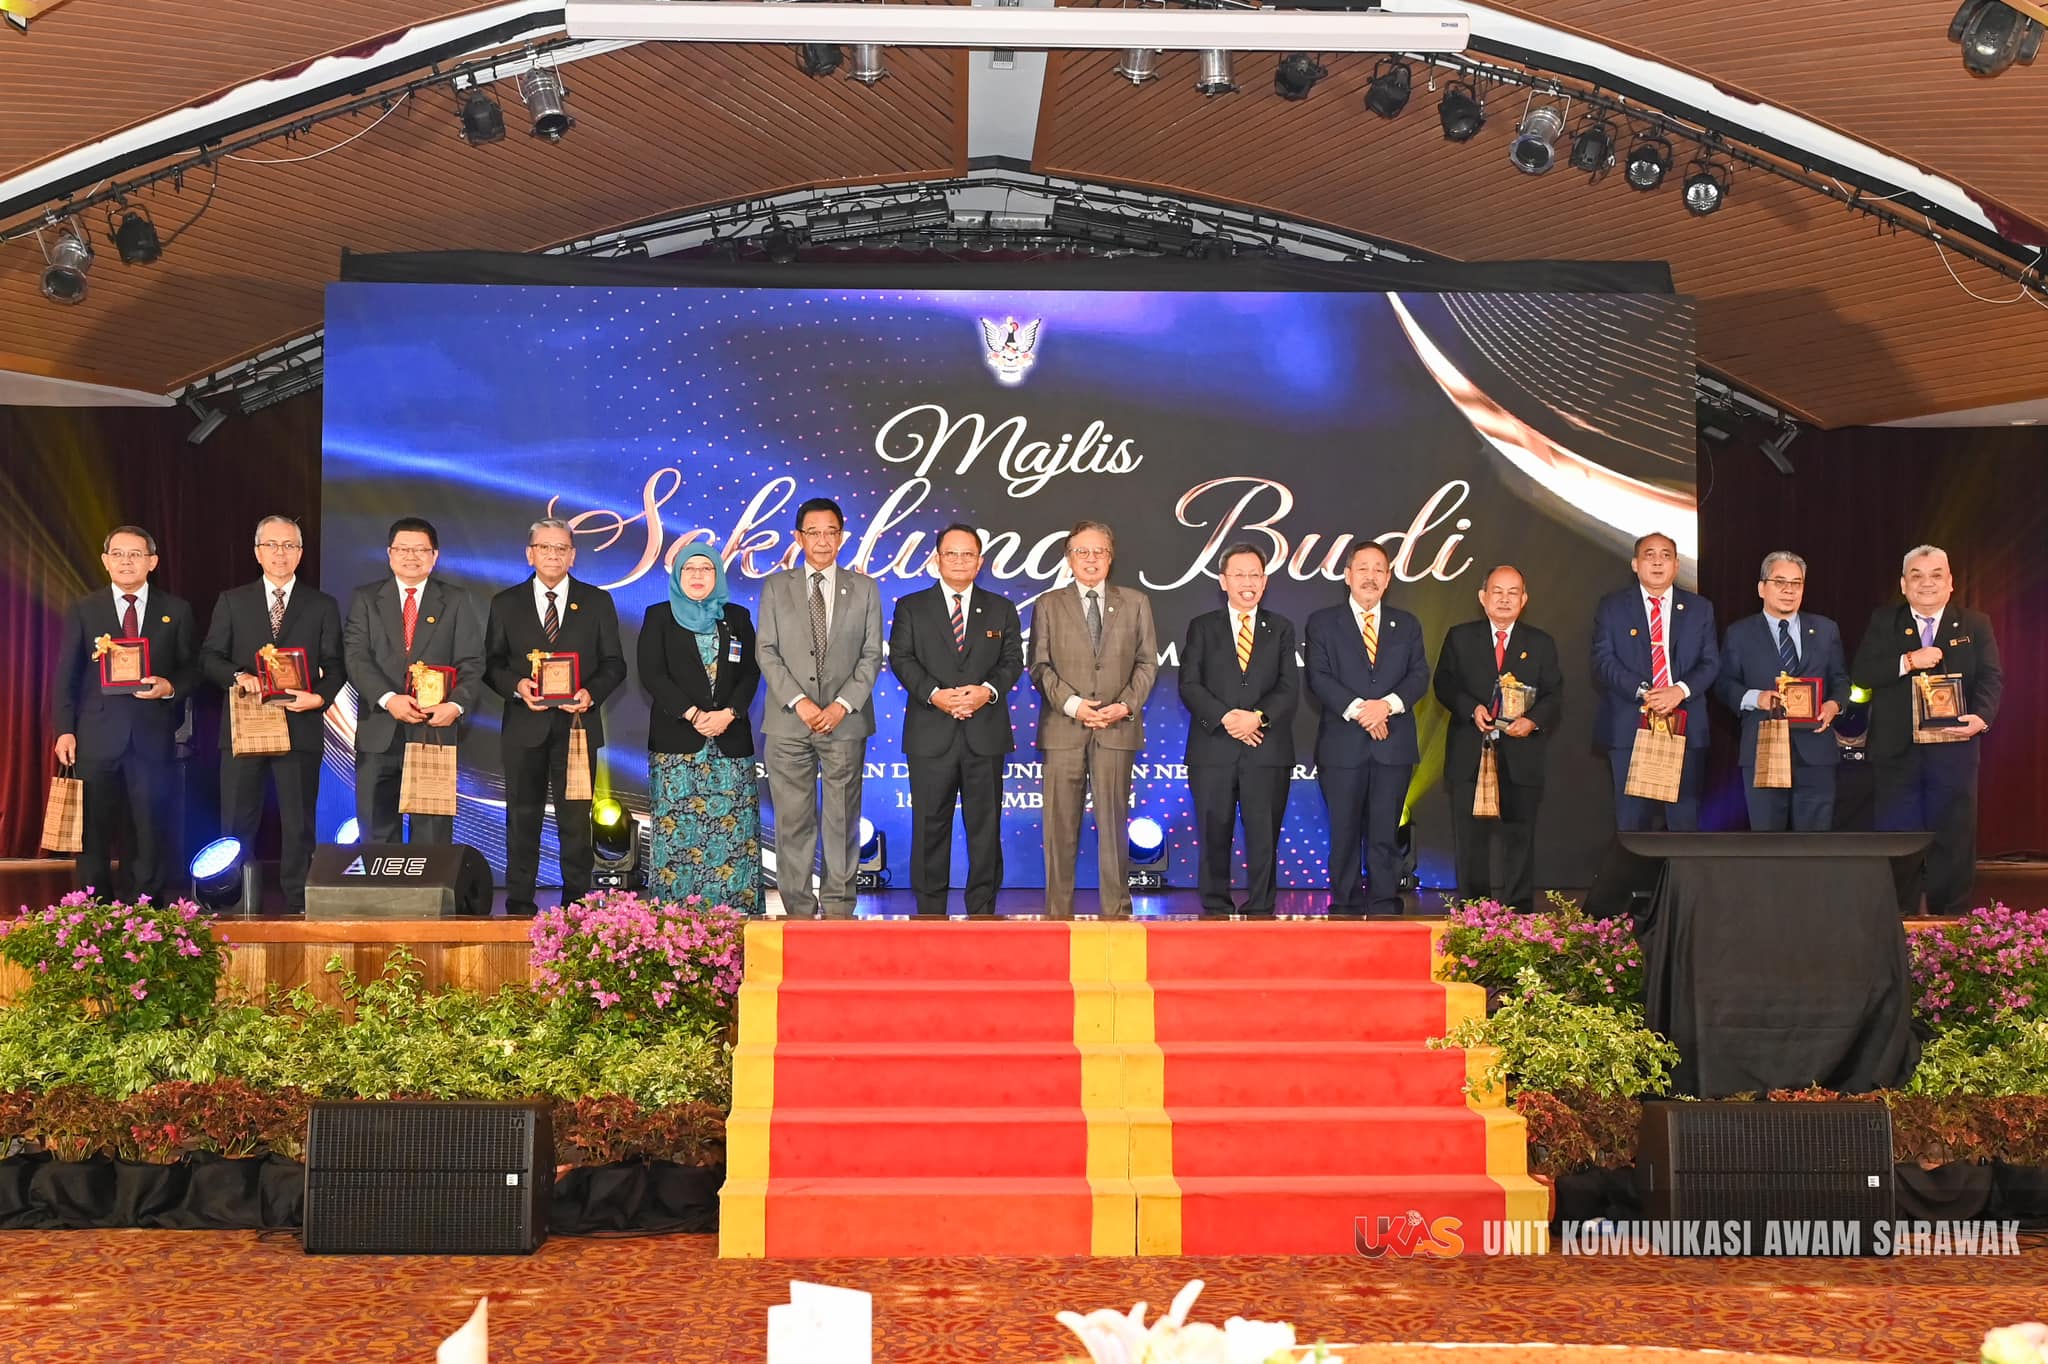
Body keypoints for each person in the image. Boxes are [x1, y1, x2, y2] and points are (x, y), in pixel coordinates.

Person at [198, 515, 344, 912]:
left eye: (289, 545)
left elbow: (336, 666)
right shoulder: (233, 601)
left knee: (298, 822)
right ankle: (233, 900)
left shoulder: (322, 605)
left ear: (300, 553)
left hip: (299, 724)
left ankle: (298, 903)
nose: (281, 553)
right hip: (246, 724)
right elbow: (209, 657)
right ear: (257, 552)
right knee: (237, 819)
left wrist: (319, 698)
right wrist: (238, 675)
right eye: (272, 545)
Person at [484, 518, 628, 914]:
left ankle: (577, 905)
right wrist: (518, 686)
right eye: (544, 547)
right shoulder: (505, 603)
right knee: (521, 817)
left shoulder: (597, 601)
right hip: (524, 726)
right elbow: (491, 665)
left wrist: (590, 693)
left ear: (573, 556)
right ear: (529, 554)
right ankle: (519, 903)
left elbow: (614, 664)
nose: (553, 555)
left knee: (577, 821)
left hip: (577, 728)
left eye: (561, 548)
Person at [1850, 544, 2002, 916]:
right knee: (1898, 839)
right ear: (1904, 585)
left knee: (1954, 838)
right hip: (1896, 752)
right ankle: (1898, 921)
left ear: (1950, 583)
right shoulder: (1884, 621)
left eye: (1936, 575)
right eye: (1916, 576)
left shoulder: (1975, 623)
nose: (1927, 583)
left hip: (1954, 749)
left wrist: (1981, 718)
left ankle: (1951, 922)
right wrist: (1908, 661)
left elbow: (1991, 678)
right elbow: (1862, 674)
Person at [51, 525, 199, 904]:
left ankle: (146, 910)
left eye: (135, 554)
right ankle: (92, 908)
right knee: (92, 831)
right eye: (117, 554)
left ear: (153, 561)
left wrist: (170, 686)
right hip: (95, 736)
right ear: (105, 561)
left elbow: (192, 670)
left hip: (151, 734)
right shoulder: (84, 609)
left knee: (149, 828)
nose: (126, 561)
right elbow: (66, 676)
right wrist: (64, 730)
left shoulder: (176, 610)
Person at [755, 497, 884, 920]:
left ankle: (839, 908)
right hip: (789, 722)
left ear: (842, 537)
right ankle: (797, 910)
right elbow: (766, 651)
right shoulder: (776, 587)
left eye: (831, 532)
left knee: (842, 819)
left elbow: (871, 655)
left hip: (845, 723)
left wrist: (842, 705)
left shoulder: (865, 588)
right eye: (814, 532)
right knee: (793, 821)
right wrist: (802, 702)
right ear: (798, 537)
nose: (823, 541)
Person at [887, 523, 1024, 919]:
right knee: (930, 827)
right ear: (937, 559)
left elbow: (1012, 660)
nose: (960, 561)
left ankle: (982, 912)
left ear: (980, 562)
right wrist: (936, 694)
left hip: (985, 732)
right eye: (952, 553)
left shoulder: (1001, 608)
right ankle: (930, 914)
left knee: (985, 829)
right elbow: (901, 658)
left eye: (968, 554)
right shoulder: (911, 606)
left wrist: (986, 692)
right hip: (931, 732)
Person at [1031, 520, 1158, 920]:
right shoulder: (1048, 604)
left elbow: (1147, 663)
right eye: (1081, 552)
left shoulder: (1135, 602)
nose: (1090, 559)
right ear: (1069, 559)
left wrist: (1124, 705)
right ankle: (1058, 915)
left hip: (1116, 728)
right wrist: (1073, 704)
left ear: (1110, 556)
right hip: (1064, 728)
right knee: (1059, 830)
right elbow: (1039, 666)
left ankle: (1116, 913)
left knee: (1114, 826)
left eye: (1098, 551)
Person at [341, 516, 485, 845]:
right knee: (376, 828)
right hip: (380, 729)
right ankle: (381, 882)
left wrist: (455, 705)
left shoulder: (456, 600)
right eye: (403, 549)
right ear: (390, 554)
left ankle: (429, 883)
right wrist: (389, 699)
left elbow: (472, 661)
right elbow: (355, 657)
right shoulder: (366, 598)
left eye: (420, 549)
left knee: (432, 835)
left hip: (433, 730)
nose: (411, 556)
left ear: (435, 556)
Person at [1305, 541, 1429, 919]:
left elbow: (1419, 676)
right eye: (1363, 568)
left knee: (1384, 832)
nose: (1370, 577)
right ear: (1347, 576)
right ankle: (1344, 903)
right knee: (1343, 832)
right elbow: (1318, 677)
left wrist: (1385, 707)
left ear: (1388, 579)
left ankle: (1383, 903)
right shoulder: (1323, 622)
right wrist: (1363, 712)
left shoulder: (1406, 624)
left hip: (1393, 745)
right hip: (1342, 746)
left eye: (1379, 570)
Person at [1430, 564, 1563, 913]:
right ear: (1483, 597)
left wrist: (1532, 721)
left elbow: (1554, 694)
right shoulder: (1460, 637)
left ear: (1524, 599)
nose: (1505, 599)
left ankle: (1518, 912)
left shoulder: (1540, 643)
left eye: (1513, 592)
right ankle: (1474, 912)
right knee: (1470, 839)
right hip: (1470, 751)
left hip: (1521, 753)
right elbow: (1444, 684)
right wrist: (1470, 708)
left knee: (1519, 837)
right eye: (1497, 592)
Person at [1178, 542, 1299, 919]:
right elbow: (1189, 684)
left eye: (1254, 575)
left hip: (1267, 749)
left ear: (1264, 581)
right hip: (1213, 749)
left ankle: (1261, 908)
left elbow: (1288, 687)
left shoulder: (1281, 628)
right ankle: (1215, 908)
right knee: (1213, 833)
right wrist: (1228, 718)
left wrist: (1256, 717)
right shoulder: (1202, 627)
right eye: (1239, 575)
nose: (1248, 583)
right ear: (1223, 581)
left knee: (1264, 836)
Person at [640, 548, 764, 913]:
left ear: (718, 575)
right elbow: (652, 673)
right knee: (678, 840)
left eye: (706, 568)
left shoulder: (736, 617)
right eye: (689, 568)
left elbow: (751, 672)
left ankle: (737, 920)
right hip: (677, 748)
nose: (697, 575)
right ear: (678, 575)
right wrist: (693, 714)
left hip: (729, 742)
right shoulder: (659, 616)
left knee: (734, 838)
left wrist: (730, 713)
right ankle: (676, 927)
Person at [1711, 551, 1849, 832]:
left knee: (1814, 844)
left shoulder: (1826, 629)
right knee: (1767, 843)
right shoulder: (1739, 633)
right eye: (1780, 582)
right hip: (1762, 748)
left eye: (1796, 583)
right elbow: (1723, 684)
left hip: (1816, 751)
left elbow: (1841, 680)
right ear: (1762, 588)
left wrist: (1834, 705)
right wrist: (1755, 698)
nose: (1789, 590)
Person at [1589, 531, 1718, 831]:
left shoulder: (1700, 608)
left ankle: (1681, 868)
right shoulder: (1612, 606)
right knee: (1633, 825)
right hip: (1629, 726)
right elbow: (1603, 660)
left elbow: (1711, 662)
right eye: (1650, 555)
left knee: (1683, 824)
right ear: (1635, 564)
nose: (1658, 562)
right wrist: (1645, 692)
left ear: (1676, 565)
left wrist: (1679, 691)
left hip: (1685, 726)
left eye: (1666, 556)